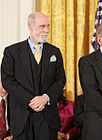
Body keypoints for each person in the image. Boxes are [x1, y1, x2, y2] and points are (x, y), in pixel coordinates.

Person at [1, 12, 66, 140]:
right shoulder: (12, 52)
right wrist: (31, 101)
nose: (46, 30)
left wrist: (45, 98)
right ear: (30, 27)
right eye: (42, 26)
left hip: (48, 120)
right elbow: (8, 81)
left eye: (48, 26)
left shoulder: (55, 52)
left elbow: (60, 80)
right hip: (21, 119)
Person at [0, 72, 12, 140]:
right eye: (1, 81)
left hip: (9, 135)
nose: (4, 84)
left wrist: (13, 136)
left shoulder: (15, 99)